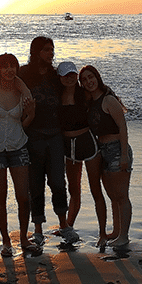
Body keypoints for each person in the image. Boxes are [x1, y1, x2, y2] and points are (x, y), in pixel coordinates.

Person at [18, 37, 79, 246]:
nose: (50, 53)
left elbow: (74, 88)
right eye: (46, 50)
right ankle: (37, 230)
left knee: (57, 182)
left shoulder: (55, 76)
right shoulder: (24, 74)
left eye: (52, 50)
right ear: (36, 52)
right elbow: (4, 82)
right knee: (35, 184)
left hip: (55, 135)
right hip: (32, 136)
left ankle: (64, 225)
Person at [0, 53, 37, 256]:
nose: (9, 70)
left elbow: (25, 123)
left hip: (18, 146)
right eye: (4, 66)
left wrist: (31, 114)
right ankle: (6, 241)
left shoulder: (21, 93)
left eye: (12, 66)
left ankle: (23, 238)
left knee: (23, 196)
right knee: (0, 197)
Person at [79, 65, 133, 249]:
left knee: (122, 195)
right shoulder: (90, 103)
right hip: (102, 151)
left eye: (91, 77)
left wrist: (124, 153)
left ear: (97, 77)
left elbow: (122, 127)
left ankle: (124, 236)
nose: (88, 82)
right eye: (84, 80)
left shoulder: (108, 100)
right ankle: (116, 232)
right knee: (112, 196)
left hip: (117, 149)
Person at [57, 61, 106, 244]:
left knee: (95, 190)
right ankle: (68, 226)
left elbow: (103, 97)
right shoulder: (57, 95)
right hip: (68, 147)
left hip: (88, 144)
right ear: (60, 78)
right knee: (73, 190)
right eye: (65, 75)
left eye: (72, 74)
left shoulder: (84, 94)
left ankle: (102, 234)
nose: (70, 78)